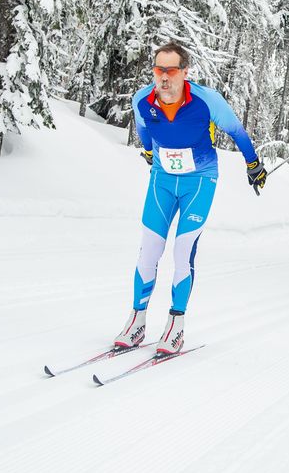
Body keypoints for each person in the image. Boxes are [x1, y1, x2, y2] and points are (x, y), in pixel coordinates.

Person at [113, 42, 267, 355]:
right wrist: (147, 151)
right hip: (163, 180)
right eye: (158, 70)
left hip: (199, 181)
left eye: (171, 70)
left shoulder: (207, 101)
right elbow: (144, 130)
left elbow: (237, 132)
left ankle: (176, 326)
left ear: (185, 72)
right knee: (149, 249)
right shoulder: (142, 99)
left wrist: (253, 165)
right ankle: (137, 321)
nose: (163, 77)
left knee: (183, 251)